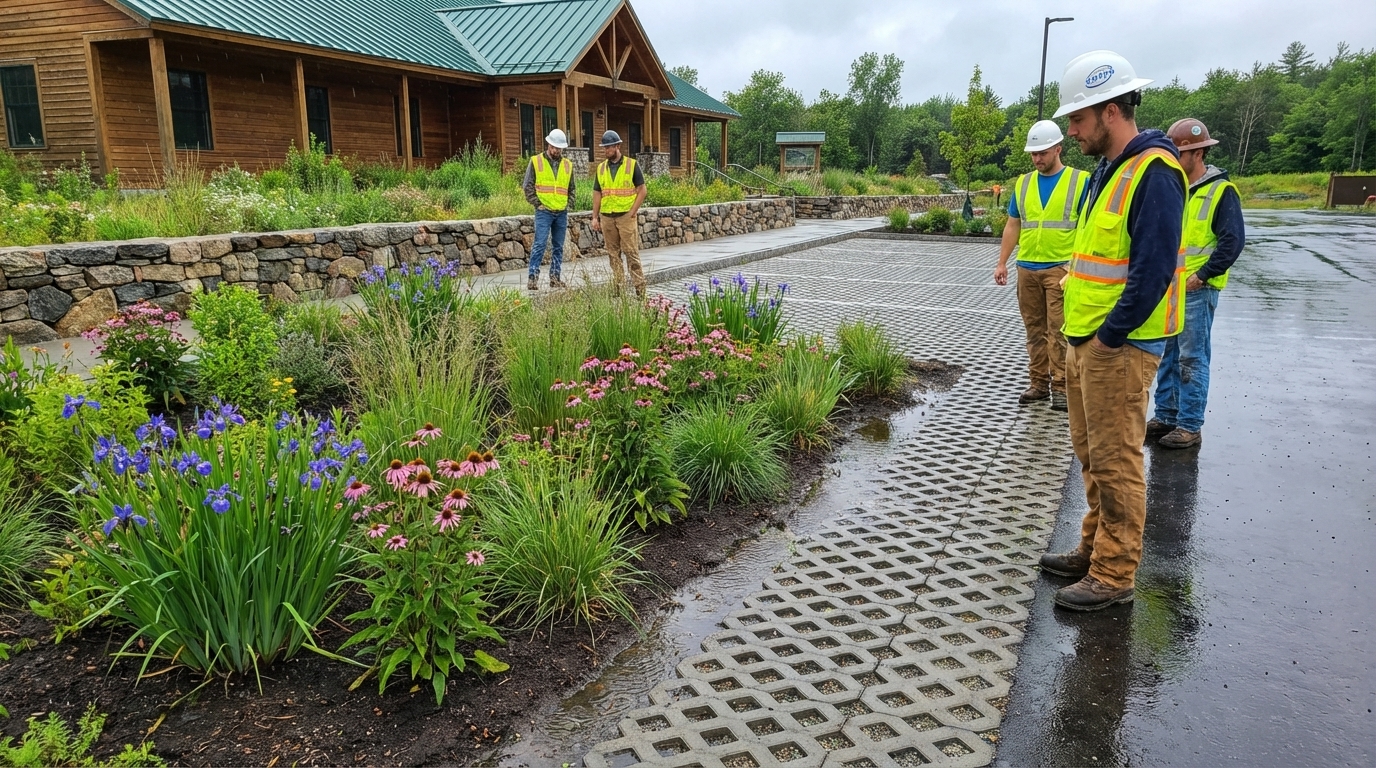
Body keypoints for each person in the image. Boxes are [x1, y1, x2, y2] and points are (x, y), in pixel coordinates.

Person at [1037, 50, 1188, 612]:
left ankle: (1114, 572)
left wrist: (1108, 337)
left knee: (1117, 460)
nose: (1071, 130)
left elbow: (1153, 270)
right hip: (1087, 341)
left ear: (1110, 110)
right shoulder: (1110, 170)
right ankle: (1093, 547)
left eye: (1077, 118)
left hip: (1117, 347)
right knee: (1092, 456)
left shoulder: (1155, 173)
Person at [1147, 118, 1245, 449]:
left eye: (1179, 153)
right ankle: (1166, 415)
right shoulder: (1174, 187)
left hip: (1197, 289)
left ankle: (1189, 424)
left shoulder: (1221, 191)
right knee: (1169, 355)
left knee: (1192, 358)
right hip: (1170, 288)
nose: (1173, 159)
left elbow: (1232, 241)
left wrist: (1202, 275)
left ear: (1198, 153)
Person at [995, 120, 1090, 411]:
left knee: (1059, 331)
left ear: (1058, 149)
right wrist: (1002, 263)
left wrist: (1078, 266)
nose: (1037, 159)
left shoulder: (1080, 181)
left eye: (1042, 153)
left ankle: (1061, 387)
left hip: (1061, 268)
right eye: (1033, 154)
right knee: (1034, 331)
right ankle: (1038, 384)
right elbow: (1013, 224)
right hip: (1027, 268)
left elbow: (1088, 227)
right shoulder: (1023, 183)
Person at [591, 130, 648, 297]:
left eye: (609, 147)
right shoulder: (601, 168)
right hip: (607, 217)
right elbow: (597, 193)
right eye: (604, 147)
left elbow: (642, 190)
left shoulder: (631, 165)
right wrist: (595, 217)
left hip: (625, 216)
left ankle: (640, 289)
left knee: (631, 253)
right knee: (613, 255)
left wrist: (632, 212)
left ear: (617, 146)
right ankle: (618, 288)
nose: (606, 150)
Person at [522, 128, 575, 291]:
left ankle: (555, 278)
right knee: (539, 244)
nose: (556, 150)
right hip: (543, 211)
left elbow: (571, 188)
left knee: (558, 246)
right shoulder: (536, 161)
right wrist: (537, 204)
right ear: (548, 145)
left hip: (561, 212)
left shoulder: (567, 165)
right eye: (554, 147)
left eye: (559, 148)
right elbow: (527, 186)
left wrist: (569, 203)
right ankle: (532, 278)